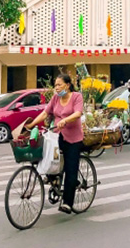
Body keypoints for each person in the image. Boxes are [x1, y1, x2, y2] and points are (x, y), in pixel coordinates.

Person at [26, 73, 84, 214]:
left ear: (67, 85)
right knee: (49, 158)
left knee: (70, 169)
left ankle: (67, 203)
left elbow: (78, 113)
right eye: (55, 85)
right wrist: (31, 124)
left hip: (73, 138)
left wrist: (65, 120)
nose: (56, 88)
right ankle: (54, 179)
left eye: (59, 85)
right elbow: (45, 113)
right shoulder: (55, 98)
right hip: (57, 136)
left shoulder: (76, 97)